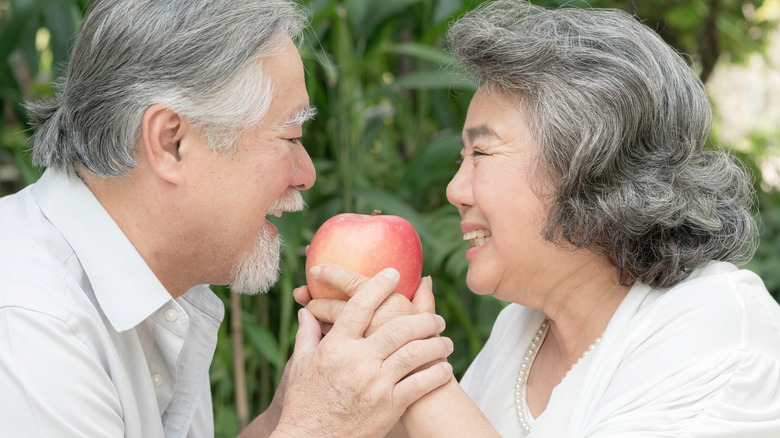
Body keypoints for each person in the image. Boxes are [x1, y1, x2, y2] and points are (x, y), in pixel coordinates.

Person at [300, 0, 780, 436]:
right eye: (459, 157)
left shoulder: (715, 323)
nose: (454, 190)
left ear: (590, 165)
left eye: (482, 152)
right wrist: (364, 357)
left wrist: (410, 362)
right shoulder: (522, 328)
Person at [0, 0, 455, 436]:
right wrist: (320, 427)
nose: (307, 174)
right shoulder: (33, 327)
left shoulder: (162, 278)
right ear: (171, 143)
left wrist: (287, 416)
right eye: (291, 136)